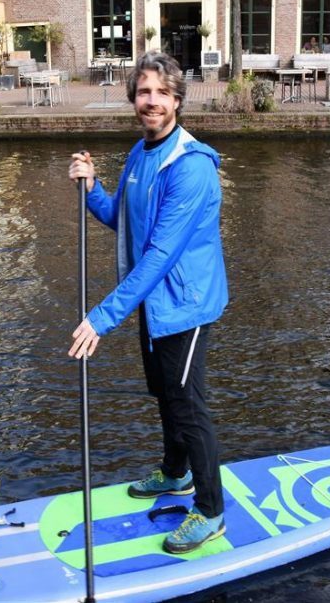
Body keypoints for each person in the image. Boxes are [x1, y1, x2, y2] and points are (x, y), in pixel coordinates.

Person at [67, 51, 229, 555]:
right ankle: (176, 474)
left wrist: (102, 317)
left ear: (177, 100)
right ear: (133, 99)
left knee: (188, 406)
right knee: (165, 394)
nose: (152, 101)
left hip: (185, 303)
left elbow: (159, 254)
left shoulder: (191, 167)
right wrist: (92, 188)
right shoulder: (140, 154)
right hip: (153, 301)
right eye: (143, 92)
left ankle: (211, 510)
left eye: (162, 92)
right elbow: (122, 218)